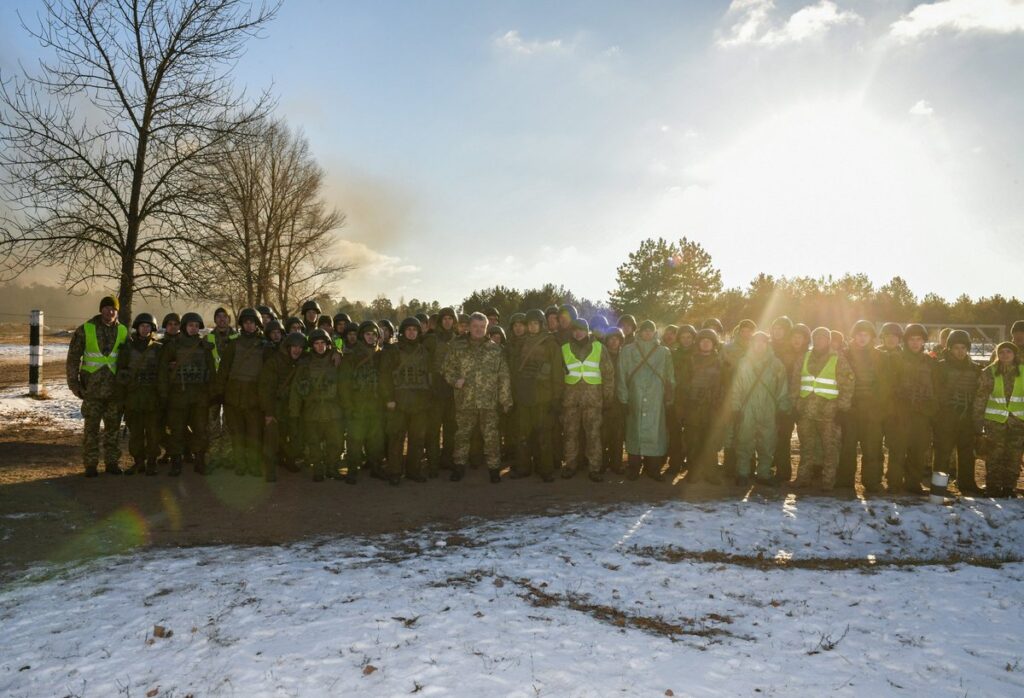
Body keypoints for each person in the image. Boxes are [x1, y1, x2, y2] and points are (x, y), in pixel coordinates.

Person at [442, 312, 513, 482]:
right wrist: (454, 380)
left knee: (491, 436)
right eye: (475, 326)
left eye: (482, 327)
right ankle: (459, 466)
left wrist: (505, 400)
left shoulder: (495, 349)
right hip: (465, 400)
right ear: (469, 327)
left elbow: (503, 376)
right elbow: (446, 368)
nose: (478, 330)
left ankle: (494, 468)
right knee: (462, 435)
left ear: (486, 328)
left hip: (488, 401)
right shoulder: (457, 347)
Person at [66, 295, 128, 477]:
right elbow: (73, 358)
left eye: (113, 309)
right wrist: (74, 384)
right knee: (91, 430)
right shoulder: (86, 329)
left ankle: (111, 463)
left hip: (114, 391)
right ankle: (91, 465)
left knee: (113, 430)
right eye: (107, 308)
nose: (110, 312)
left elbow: (130, 359)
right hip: (91, 390)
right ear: (101, 309)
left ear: (117, 312)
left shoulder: (124, 331)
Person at [791, 326, 854, 491]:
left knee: (830, 450)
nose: (819, 341)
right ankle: (803, 479)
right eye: (817, 338)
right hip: (806, 413)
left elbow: (848, 385)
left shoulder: (838, 359)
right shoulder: (804, 358)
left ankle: (828, 482)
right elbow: (795, 382)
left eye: (823, 338)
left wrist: (842, 409)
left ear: (828, 340)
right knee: (806, 448)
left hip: (829, 414)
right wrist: (795, 404)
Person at [729, 331, 791, 487]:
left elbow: (782, 388)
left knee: (767, 443)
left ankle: (764, 473)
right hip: (747, 407)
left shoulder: (776, 364)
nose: (759, 345)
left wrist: (782, 408)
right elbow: (736, 387)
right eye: (756, 341)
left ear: (767, 344)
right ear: (752, 343)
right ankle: (742, 473)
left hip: (768, 408)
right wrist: (735, 407)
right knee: (744, 441)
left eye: (763, 342)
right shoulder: (743, 362)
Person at [616, 320, 675, 480]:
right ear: (640, 332)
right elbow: (622, 374)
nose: (647, 333)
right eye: (645, 330)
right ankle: (633, 468)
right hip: (634, 396)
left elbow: (669, 376)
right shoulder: (627, 351)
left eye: (650, 330)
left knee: (655, 432)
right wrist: (623, 397)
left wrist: (669, 397)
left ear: (655, 332)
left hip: (656, 398)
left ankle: (653, 469)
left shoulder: (664, 352)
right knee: (634, 431)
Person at [508, 309, 563, 481]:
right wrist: (513, 395)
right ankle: (524, 468)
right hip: (523, 396)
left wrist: (556, 398)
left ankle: (545, 470)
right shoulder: (520, 343)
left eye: (535, 323)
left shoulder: (551, 344)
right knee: (523, 435)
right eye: (529, 323)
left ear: (541, 324)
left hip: (543, 397)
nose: (531, 327)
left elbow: (557, 373)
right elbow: (514, 371)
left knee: (543, 435)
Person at [158, 312, 215, 475]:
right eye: (191, 325)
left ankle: (200, 460)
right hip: (178, 395)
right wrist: (163, 393)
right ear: (184, 326)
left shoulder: (204, 346)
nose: (194, 328)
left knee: (200, 429)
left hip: (199, 395)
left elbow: (211, 371)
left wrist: (212, 393)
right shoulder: (173, 345)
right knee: (177, 429)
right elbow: (162, 370)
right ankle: (176, 462)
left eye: (196, 326)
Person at [379, 317, 434, 484]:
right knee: (396, 438)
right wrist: (389, 398)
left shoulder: (424, 352)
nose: (411, 333)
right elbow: (385, 376)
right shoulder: (394, 351)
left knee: (417, 438)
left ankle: (413, 471)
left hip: (419, 400)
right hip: (399, 400)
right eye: (408, 330)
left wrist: (429, 398)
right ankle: (395, 472)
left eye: (415, 330)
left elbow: (429, 376)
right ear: (403, 332)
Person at [837, 320, 889, 493]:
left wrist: (879, 407)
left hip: (871, 411)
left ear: (871, 337)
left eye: (865, 334)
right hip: (850, 409)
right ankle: (845, 482)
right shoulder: (844, 355)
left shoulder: (880, 357)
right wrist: (842, 405)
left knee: (872, 447)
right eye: (859, 334)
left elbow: (884, 384)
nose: (862, 338)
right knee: (847, 447)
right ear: (853, 336)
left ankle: (872, 481)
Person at [560, 318, 615, 482]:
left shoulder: (599, 347)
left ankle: (595, 468)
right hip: (571, 401)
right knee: (570, 434)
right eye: (575, 330)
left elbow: (608, 374)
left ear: (587, 331)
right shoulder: (564, 348)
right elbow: (559, 375)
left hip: (593, 400)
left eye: (581, 329)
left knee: (593, 435)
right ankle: (570, 465)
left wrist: (608, 398)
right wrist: (559, 397)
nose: (578, 333)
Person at [887, 324, 939, 494]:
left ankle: (913, 483)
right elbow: (888, 386)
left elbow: (937, 388)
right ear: (906, 341)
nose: (915, 343)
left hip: (922, 415)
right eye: (911, 339)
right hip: (900, 414)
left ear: (923, 341)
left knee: (918, 450)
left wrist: (931, 410)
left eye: (919, 339)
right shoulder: (896, 359)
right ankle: (894, 483)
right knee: (898, 450)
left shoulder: (930, 362)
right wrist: (894, 409)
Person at [216, 308, 266, 477]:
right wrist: (220, 393)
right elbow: (223, 370)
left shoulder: (264, 344)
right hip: (233, 396)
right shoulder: (234, 344)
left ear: (257, 323)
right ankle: (240, 464)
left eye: (251, 322)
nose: (248, 325)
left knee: (254, 434)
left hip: (254, 396)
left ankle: (254, 464)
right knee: (237, 434)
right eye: (245, 322)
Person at [290, 329, 343, 482]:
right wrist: (294, 412)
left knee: (336, 441)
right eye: (316, 343)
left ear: (328, 344)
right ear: (312, 346)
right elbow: (296, 389)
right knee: (314, 442)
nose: (320, 346)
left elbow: (344, 384)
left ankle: (332, 467)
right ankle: (318, 469)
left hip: (333, 409)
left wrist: (337, 351)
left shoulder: (337, 361)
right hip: (312, 410)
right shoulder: (305, 364)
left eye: (322, 343)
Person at [973, 342, 1024, 497]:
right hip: (995, 422)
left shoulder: (1023, 371)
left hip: (1018, 423)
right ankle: (993, 487)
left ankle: (1009, 487)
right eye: (1001, 352)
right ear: (997, 354)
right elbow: (980, 398)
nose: (1005, 355)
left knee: (1014, 456)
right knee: (994, 455)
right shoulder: (989, 372)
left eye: (1009, 351)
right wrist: (977, 423)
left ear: (1015, 354)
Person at [935, 330, 982, 495]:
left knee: (968, 453)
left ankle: (967, 485)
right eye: (956, 348)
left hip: (967, 418)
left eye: (963, 347)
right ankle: (939, 488)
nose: (960, 351)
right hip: (946, 418)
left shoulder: (976, 369)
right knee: (942, 453)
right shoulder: (940, 368)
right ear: (949, 348)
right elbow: (935, 393)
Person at [677, 328, 725, 484]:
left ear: (713, 344)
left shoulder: (721, 362)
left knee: (710, 441)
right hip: (694, 408)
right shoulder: (690, 361)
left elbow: (726, 385)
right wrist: (683, 408)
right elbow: (682, 386)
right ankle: (693, 472)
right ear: (698, 343)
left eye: (709, 341)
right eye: (702, 340)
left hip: (712, 408)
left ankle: (710, 472)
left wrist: (721, 404)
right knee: (693, 442)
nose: (705, 343)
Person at [339, 321, 385, 481]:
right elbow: (344, 385)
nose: (371, 337)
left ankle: (375, 467)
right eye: (367, 334)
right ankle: (352, 470)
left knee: (375, 439)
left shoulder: (381, 355)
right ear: (361, 336)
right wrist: (348, 406)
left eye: (373, 334)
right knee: (354, 440)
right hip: (357, 404)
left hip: (375, 404)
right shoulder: (351, 357)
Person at [117, 313, 163, 476]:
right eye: (143, 326)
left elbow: (163, 374)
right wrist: (122, 398)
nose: (145, 329)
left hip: (152, 398)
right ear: (137, 327)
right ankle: (138, 462)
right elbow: (120, 373)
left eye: (148, 326)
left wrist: (162, 397)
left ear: (153, 329)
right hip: (133, 397)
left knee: (153, 432)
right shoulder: (127, 348)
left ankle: (152, 462)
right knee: (135, 432)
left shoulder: (158, 348)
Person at [259, 331, 306, 481]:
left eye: (300, 347)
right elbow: (266, 389)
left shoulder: (301, 362)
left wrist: (336, 352)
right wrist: (269, 412)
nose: (297, 350)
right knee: (272, 441)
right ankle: (270, 470)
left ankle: (289, 462)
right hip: (275, 406)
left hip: (291, 408)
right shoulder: (274, 362)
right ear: (287, 347)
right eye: (294, 347)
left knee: (291, 438)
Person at [772, 323, 809, 484]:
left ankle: (805, 474)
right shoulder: (782, 355)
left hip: (805, 404)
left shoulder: (811, 356)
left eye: (800, 338)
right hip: (786, 403)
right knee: (782, 438)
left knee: (807, 440)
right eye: (794, 337)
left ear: (805, 340)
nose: (796, 340)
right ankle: (783, 471)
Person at [424, 307, 459, 476]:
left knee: (451, 429)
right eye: (444, 318)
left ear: (454, 321)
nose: (447, 321)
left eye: (450, 318)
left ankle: (447, 460)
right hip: (435, 390)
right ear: (440, 321)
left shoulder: (458, 340)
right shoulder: (431, 340)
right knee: (433, 429)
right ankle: (433, 463)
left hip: (452, 391)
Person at [601, 329, 627, 473]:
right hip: (604, 399)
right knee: (603, 435)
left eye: (617, 338)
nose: (614, 341)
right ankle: (603, 463)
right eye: (611, 339)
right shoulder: (601, 355)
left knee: (618, 435)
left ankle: (616, 464)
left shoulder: (625, 356)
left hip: (620, 400)